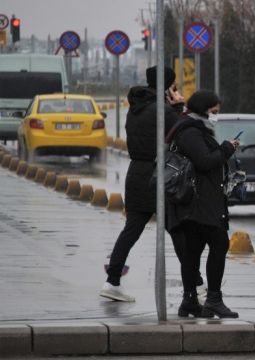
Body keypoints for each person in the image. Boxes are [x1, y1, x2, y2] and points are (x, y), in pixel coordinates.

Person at [100, 66, 201, 302]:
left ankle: (112, 281)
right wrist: (178, 107)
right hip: (159, 174)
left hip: (136, 173)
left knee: (131, 230)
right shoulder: (162, 110)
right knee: (177, 229)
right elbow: (184, 133)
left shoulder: (135, 108)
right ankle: (195, 283)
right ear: (167, 86)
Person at [166, 90, 240, 318]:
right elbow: (205, 161)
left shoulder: (193, 128)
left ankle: (190, 301)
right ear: (202, 109)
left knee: (193, 251)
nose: (216, 116)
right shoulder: (190, 131)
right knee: (219, 243)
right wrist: (227, 148)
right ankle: (213, 300)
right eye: (214, 111)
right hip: (198, 201)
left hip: (199, 200)